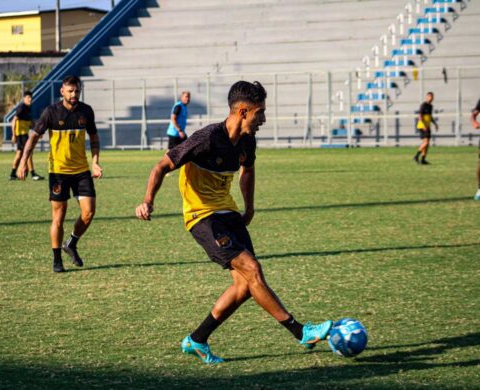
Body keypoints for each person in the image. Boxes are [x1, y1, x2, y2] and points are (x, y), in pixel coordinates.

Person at [135, 81, 332, 364]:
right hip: (201, 216)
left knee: (244, 286)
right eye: (259, 113)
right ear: (242, 111)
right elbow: (161, 166)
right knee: (252, 269)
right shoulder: (206, 138)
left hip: (228, 212)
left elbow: (248, 171)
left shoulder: (247, 141)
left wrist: (249, 208)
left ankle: (197, 340)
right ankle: (301, 331)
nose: (263, 119)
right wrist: (148, 201)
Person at [17, 75, 103, 272]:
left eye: (77, 91)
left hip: (81, 170)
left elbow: (94, 137)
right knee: (59, 216)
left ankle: (71, 243)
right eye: (70, 91)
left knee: (89, 212)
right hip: (58, 172)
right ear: (62, 91)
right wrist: (23, 162)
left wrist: (96, 162)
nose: (74, 95)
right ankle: (57, 258)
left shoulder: (86, 111)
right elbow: (33, 138)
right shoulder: (51, 112)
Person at [9, 91, 44, 181]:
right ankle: (33, 174)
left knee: (19, 154)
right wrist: (13, 135)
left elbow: (31, 122)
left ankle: (13, 174)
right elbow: (14, 120)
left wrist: (38, 132)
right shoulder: (22, 107)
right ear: (24, 98)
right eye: (28, 97)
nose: (30, 99)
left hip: (23, 134)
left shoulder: (28, 108)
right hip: (21, 134)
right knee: (28, 152)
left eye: (31, 98)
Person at [413, 92, 438, 165]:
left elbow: (430, 116)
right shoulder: (423, 105)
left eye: (432, 97)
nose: (432, 98)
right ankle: (416, 156)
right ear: (427, 97)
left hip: (427, 126)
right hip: (422, 126)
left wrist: (435, 123)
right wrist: (423, 126)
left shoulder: (431, 106)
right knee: (426, 142)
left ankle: (423, 159)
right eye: (430, 96)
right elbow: (420, 116)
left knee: (427, 143)